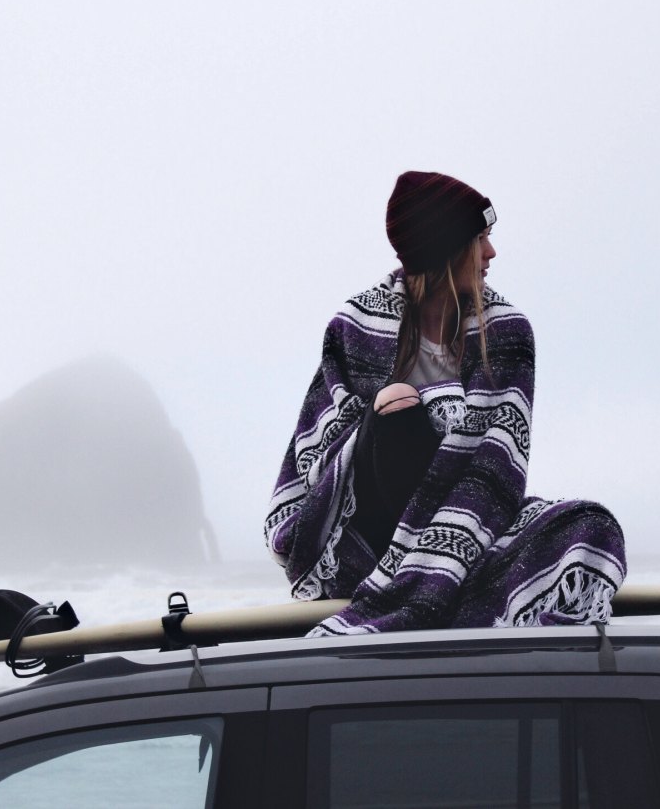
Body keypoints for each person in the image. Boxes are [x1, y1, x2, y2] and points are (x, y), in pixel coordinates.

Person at [264, 171, 626, 635]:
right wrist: (388, 413)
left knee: (590, 525)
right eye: (480, 239)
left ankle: (440, 577)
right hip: (371, 528)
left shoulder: (507, 333)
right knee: (395, 406)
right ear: (445, 247)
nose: (492, 253)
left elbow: (497, 463)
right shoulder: (354, 328)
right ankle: (417, 578)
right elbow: (318, 449)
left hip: (473, 515)